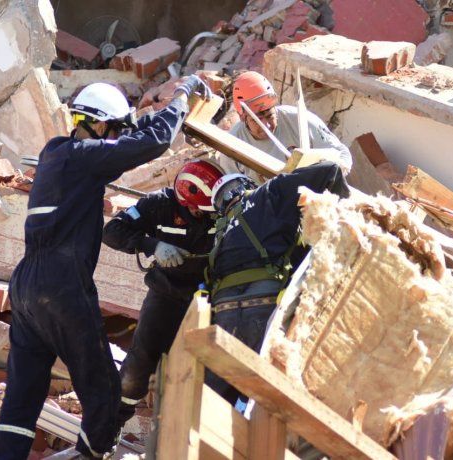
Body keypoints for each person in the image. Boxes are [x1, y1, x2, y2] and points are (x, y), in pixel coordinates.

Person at [0, 76, 212, 460]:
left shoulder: (58, 155)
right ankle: (92, 455)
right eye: (112, 128)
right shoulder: (82, 158)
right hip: (62, 285)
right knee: (104, 390)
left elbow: (126, 140)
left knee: (23, 394)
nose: (113, 136)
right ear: (96, 123)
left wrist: (142, 119)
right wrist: (181, 96)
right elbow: (152, 142)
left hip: (26, 286)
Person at [204, 162, 350, 405]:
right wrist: (344, 215)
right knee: (267, 398)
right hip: (264, 304)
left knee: (216, 401)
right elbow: (329, 170)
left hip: (224, 315)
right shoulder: (268, 192)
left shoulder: (219, 233)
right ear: (247, 185)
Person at [102, 159, 224, 429]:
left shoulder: (222, 209)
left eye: (206, 209)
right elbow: (112, 231)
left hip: (209, 299)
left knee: (207, 372)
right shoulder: (158, 204)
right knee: (139, 364)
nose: (200, 214)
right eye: (194, 208)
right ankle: (110, 428)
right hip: (166, 295)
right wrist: (152, 245)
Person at [220, 71, 352, 181]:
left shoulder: (300, 120)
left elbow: (342, 154)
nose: (266, 125)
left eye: (269, 115)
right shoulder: (233, 144)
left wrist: (328, 174)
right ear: (243, 117)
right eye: (257, 119)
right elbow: (233, 188)